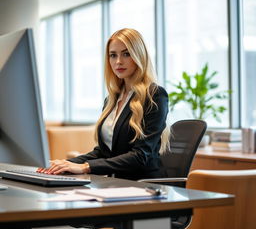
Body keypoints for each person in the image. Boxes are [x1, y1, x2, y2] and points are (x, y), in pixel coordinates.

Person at [38, 28, 170, 180]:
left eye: (126, 54)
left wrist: (86, 167)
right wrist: (65, 164)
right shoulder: (112, 99)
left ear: (139, 56)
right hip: (115, 183)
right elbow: (103, 152)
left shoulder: (155, 95)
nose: (118, 61)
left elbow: (141, 155)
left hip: (145, 184)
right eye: (113, 55)